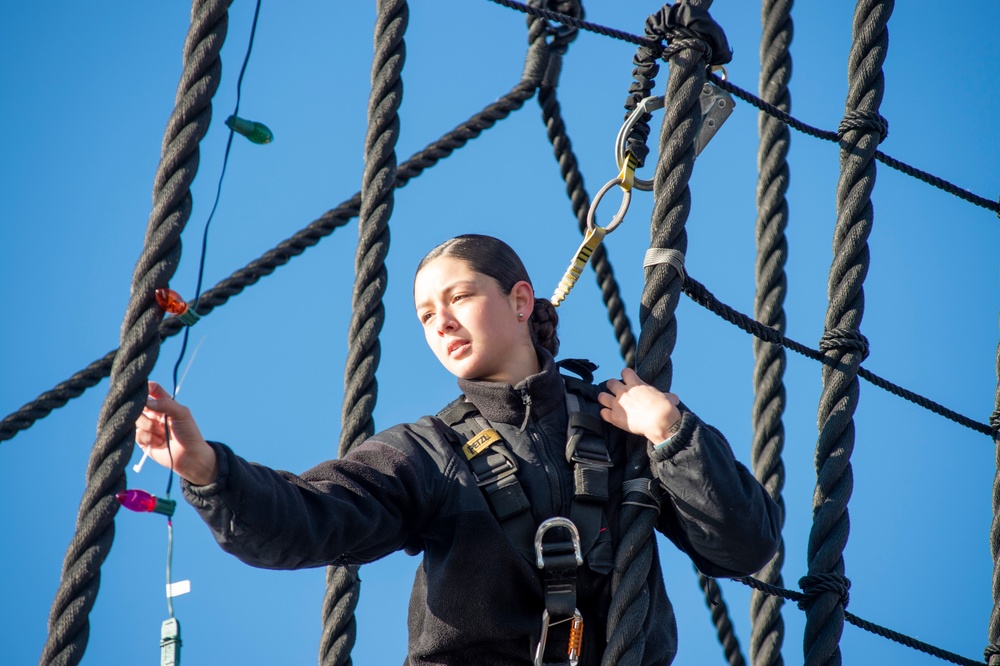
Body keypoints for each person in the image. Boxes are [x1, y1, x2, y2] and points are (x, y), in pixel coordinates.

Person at [135, 234, 781, 665]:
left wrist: (672, 432)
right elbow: (311, 517)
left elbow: (747, 544)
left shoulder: (625, 429)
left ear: (520, 300)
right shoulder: (428, 450)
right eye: (424, 314)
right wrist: (207, 472)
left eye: (458, 298)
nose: (439, 322)